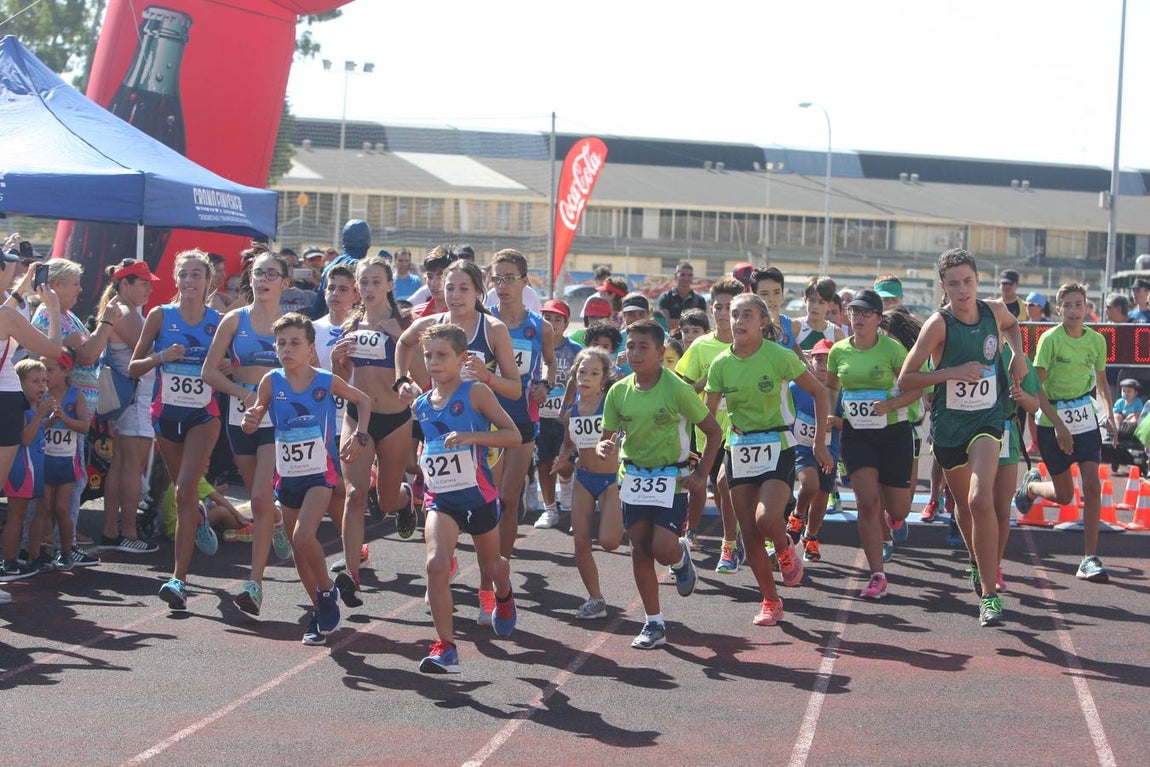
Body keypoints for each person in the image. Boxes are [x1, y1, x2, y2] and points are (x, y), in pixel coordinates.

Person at [899, 249, 1029, 627]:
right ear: (943, 286)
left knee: (979, 497)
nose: (962, 289)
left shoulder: (994, 311)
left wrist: (1018, 355)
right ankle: (976, 561)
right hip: (950, 426)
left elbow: (1013, 326)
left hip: (988, 420)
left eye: (968, 281)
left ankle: (989, 595)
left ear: (978, 281)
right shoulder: (938, 325)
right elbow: (907, 379)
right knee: (963, 507)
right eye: (953, 283)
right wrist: (951, 372)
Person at [398, 259, 523, 625]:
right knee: (437, 550)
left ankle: (491, 592)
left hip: (484, 441)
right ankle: (442, 570)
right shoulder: (430, 327)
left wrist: (488, 378)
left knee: (488, 548)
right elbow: (403, 343)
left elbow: (515, 389)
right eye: (448, 288)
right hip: (442, 441)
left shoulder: (493, 329)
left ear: (478, 292)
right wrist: (401, 379)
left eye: (463, 288)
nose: (454, 295)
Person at [242, 313, 371, 645]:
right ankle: (319, 609)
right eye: (281, 343)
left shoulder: (325, 380)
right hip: (287, 477)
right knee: (299, 554)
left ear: (311, 348)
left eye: (295, 343)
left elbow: (364, 401)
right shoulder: (271, 381)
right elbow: (252, 421)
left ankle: (327, 591)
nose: (287, 349)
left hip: (320, 473)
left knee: (301, 538)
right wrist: (251, 419)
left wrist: (360, 436)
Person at [597, 319, 722, 649]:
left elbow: (713, 431)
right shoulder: (618, 391)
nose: (635, 353)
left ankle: (680, 557)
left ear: (660, 351)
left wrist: (701, 475)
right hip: (634, 476)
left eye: (643, 347)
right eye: (630, 346)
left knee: (662, 548)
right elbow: (607, 436)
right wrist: (604, 446)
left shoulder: (678, 389)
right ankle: (654, 623)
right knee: (639, 546)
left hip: (672, 478)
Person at [706, 294, 830, 625]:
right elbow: (706, 417)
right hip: (739, 449)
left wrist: (819, 443)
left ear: (762, 322)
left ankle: (784, 544)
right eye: (734, 315)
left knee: (765, 520)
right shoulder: (720, 364)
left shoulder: (779, 356)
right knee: (748, 533)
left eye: (747, 315)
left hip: (777, 444)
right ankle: (770, 601)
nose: (739, 321)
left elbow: (819, 392)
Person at [414, 324, 521, 674]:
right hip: (441, 498)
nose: (433, 361)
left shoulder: (475, 393)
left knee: (493, 567)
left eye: (441, 355)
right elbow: (428, 446)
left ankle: (503, 595)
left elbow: (513, 435)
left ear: (462, 358)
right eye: (428, 355)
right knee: (436, 564)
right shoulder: (421, 405)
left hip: (477, 496)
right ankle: (446, 646)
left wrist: (471, 437)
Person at [202, 246, 296, 615]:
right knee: (261, 498)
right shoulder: (234, 320)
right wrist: (243, 392)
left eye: (272, 274)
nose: (264, 280)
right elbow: (209, 372)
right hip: (240, 417)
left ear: (286, 282)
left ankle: (254, 584)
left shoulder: (292, 325)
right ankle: (275, 521)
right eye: (258, 273)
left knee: (258, 495)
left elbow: (311, 370)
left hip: (278, 420)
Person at [130, 249, 224, 611]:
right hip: (165, 417)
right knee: (182, 494)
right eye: (183, 274)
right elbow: (135, 368)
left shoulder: (219, 322)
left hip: (204, 416)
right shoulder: (159, 315)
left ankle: (178, 580)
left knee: (184, 490)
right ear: (175, 278)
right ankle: (198, 514)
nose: (189, 281)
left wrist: (226, 366)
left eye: (196, 274)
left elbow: (232, 365)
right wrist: (160, 357)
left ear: (207, 281)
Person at [329, 255, 418, 607]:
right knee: (354, 493)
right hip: (357, 416)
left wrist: (401, 338)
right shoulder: (351, 325)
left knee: (384, 500)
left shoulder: (406, 324)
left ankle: (405, 498)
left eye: (375, 282)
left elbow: (425, 377)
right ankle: (351, 574)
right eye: (363, 283)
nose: (368, 289)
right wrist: (338, 359)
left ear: (389, 285)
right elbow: (342, 378)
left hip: (395, 419)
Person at [1013, 283, 1116, 585]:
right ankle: (1032, 488)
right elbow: (1037, 388)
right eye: (1068, 305)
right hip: (1052, 419)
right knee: (1065, 495)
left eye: (1079, 305)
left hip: (1084, 419)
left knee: (1093, 485)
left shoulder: (1096, 341)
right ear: (1059, 309)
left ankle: (1089, 558)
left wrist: (1108, 413)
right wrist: (1058, 425)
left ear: (1086, 307)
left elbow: (1102, 381)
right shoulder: (1050, 340)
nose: (1074, 310)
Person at [826, 289, 923, 597]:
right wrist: (833, 417)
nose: (859, 318)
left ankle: (891, 518)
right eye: (854, 312)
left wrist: (891, 405)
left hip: (894, 433)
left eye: (866, 313)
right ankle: (876, 574)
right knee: (867, 504)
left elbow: (916, 390)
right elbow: (831, 387)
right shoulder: (838, 351)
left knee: (899, 508)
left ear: (879, 319)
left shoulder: (893, 350)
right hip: (857, 435)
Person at [486, 250, 555, 593]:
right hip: (484, 420)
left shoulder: (538, 325)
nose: (502, 285)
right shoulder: (483, 320)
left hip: (521, 421)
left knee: (508, 501)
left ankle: (501, 567)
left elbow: (551, 365)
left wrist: (544, 384)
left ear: (525, 282)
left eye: (509, 278)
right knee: (487, 500)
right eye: (496, 278)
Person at [675, 277, 742, 566]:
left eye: (730, 307)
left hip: (743, 432)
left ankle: (730, 543)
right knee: (710, 487)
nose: (724, 313)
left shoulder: (752, 346)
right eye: (718, 307)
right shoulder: (701, 346)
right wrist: (707, 382)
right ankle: (696, 531)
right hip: (708, 433)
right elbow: (682, 387)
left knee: (725, 484)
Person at [552, 348, 622, 619]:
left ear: (604, 377)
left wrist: (614, 445)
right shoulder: (571, 411)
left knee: (609, 542)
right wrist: (564, 459)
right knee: (580, 542)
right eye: (582, 372)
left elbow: (624, 434)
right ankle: (595, 598)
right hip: (584, 478)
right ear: (574, 375)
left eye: (594, 373)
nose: (587, 377)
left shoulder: (612, 404)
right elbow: (569, 445)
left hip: (610, 480)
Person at [97, 259, 162, 554]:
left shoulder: (119, 308)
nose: (149, 288)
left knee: (121, 466)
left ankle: (113, 531)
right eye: (144, 283)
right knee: (131, 468)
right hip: (136, 399)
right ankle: (127, 532)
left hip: (131, 399)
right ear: (126, 284)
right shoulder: (125, 311)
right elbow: (148, 349)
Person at [29, 351, 90, 571]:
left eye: (50, 370)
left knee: (62, 509)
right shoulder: (40, 395)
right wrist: (48, 420)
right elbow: (34, 429)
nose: (45, 375)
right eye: (43, 370)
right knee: (42, 510)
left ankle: (65, 552)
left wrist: (63, 418)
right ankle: (33, 556)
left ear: (66, 371)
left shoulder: (75, 394)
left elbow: (84, 426)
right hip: (44, 460)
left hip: (66, 461)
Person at [0, 359, 50, 578]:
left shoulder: (36, 407)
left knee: (33, 513)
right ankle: (9, 562)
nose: (42, 386)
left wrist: (48, 418)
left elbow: (37, 433)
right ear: (19, 383)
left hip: (35, 466)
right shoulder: (18, 407)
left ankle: (29, 555)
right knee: (16, 515)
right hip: (20, 469)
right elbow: (26, 439)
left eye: (44, 381)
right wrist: (40, 415)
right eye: (35, 381)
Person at [534, 299, 581, 529]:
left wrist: (573, 407)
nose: (552, 324)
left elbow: (584, 382)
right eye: (547, 318)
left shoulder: (575, 350)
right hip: (540, 416)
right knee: (543, 463)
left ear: (566, 323)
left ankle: (568, 497)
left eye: (557, 319)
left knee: (564, 463)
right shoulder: (535, 346)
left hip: (565, 418)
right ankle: (550, 509)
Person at [311, 219, 372, 318]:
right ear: (367, 242)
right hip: (352, 325)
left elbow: (318, 308)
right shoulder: (363, 268)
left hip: (328, 325)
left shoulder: (329, 267)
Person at [797, 275, 847, 350]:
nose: (815, 306)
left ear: (829, 304)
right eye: (812, 300)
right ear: (805, 300)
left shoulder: (836, 333)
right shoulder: (795, 326)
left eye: (821, 302)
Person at [657, 262, 707, 334]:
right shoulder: (665, 298)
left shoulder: (699, 300)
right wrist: (692, 324)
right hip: (671, 342)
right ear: (675, 276)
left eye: (689, 275)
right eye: (682, 275)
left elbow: (702, 326)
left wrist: (674, 322)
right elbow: (665, 324)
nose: (686, 278)